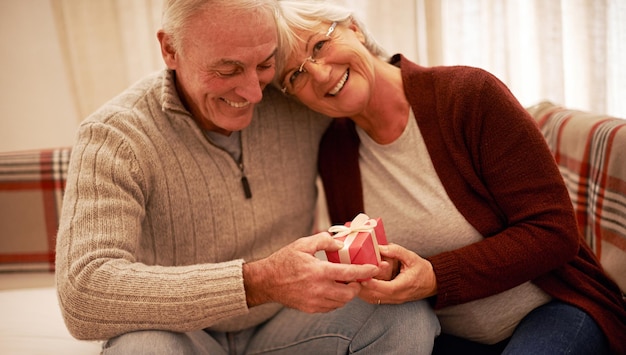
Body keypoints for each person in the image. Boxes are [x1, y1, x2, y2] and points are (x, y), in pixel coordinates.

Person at [55, 0, 440, 354]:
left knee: (403, 317)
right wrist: (257, 281)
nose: (254, 92)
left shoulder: (294, 95)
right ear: (170, 50)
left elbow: (368, 88)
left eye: (265, 64)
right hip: (182, 334)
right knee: (141, 349)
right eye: (228, 69)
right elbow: (83, 290)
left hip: (286, 324)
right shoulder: (115, 135)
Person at [275, 1, 626, 354]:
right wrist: (387, 270)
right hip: (446, 334)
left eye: (319, 45)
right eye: (296, 75)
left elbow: (554, 231)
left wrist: (435, 277)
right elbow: (378, 263)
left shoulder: (469, 95)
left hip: (553, 308)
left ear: (354, 28)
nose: (319, 74)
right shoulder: (335, 153)